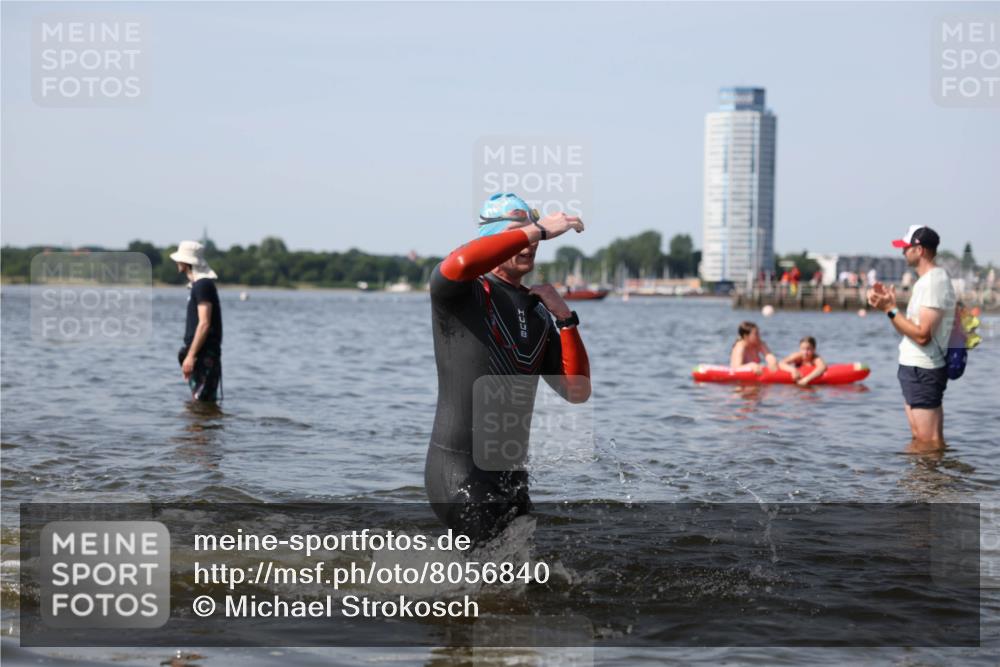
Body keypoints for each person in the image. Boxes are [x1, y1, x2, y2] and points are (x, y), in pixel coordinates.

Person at [425, 193, 591, 543]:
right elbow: (459, 262)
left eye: (532, 232)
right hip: (459, 474)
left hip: (512, 481)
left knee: (518, 573)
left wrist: (565, 319)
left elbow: (577, 391)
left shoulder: (538, 310)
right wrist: (539, 230)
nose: (531, 242)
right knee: (493, 572)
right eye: (519, 233)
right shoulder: (462, 293)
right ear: (493, 238)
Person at [867, 226, 955, 448]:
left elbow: (923, 335)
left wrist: (890, 310)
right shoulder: (927, 280)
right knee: (920, 439)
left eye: (906, 248)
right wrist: (891, 308)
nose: (902, 252)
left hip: (923, 369)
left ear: (919, 250)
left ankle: (933, 472)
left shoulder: (933, 282)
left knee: (929, 442)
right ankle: (924, 472)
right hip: (916, 368)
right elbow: (911, 331)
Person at [171, 240, 223, 402]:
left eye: (179, 259)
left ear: (187, 262)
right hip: (200, 354)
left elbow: (204, 323)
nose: (177, 262)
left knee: (201, 402)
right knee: (200, 405)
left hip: (204, 354)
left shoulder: (202, 285)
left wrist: (191, 356)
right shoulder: (198, 285)